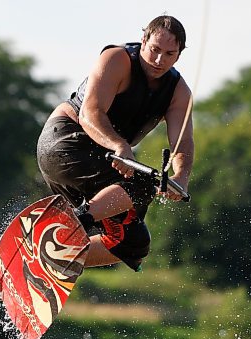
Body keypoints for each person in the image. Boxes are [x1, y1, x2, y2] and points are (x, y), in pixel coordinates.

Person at [37, 15, 194, 272]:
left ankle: (55, 258)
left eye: (169, 54)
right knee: (143, 184)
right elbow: (90, 114)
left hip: (103, 164)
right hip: (66, 143)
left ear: (178, 55)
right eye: (154, 49)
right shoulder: (117, 59)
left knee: (132, 244)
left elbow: (183, 142)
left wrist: (181, 177)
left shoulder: (178, 92)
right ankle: (78, 221)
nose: (159, 60)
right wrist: (119, 146)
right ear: (143, 40)